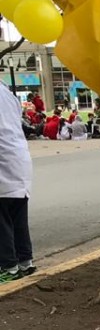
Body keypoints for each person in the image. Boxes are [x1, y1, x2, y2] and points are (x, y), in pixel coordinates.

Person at [0, 81, 36, 282]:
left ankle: (8, 267)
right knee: (18, 215)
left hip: (3, 159)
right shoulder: (6, 91)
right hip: (18, 157)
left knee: (2, 217)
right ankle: (25, 262)